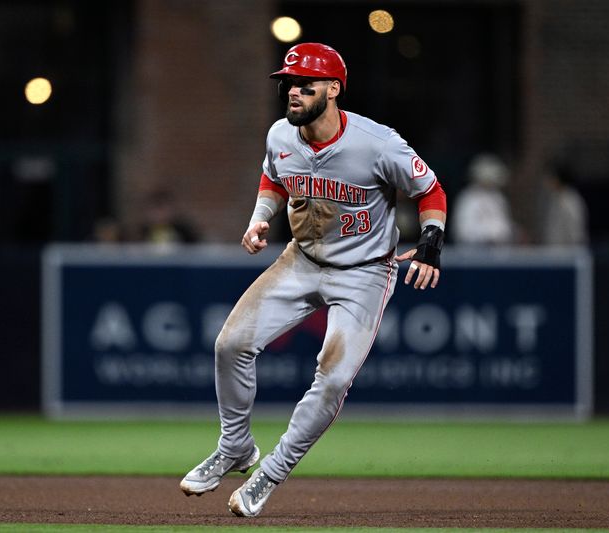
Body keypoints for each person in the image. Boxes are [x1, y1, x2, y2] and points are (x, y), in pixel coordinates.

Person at [179, 43, 447, 517]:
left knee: (332, 377)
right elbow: (274, 179)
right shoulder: (282, 134)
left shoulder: (376, 143)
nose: (293, 91)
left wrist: (431, 242)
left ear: (333, 89)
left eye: (305, 83)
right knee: (230, 344)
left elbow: (430, 190)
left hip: (364, 272)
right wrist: (260, 218)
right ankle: (235, 448)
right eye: (288, 83)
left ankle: (271, 473)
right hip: (301, 259)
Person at [450, 153, 515, 245]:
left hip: (499, 254)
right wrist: (488, 236)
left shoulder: (498, 197)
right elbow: (463, 231)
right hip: (473, 255)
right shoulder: (468, 198)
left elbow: (504, 227)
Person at [541, 163, 588, 245]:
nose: (546, 182)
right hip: (555, 253)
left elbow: (576, 234)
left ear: (557, 179)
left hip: (568, 254)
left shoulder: (571, 201)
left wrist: (573, 253)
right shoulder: (555, 199)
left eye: (549, 178)